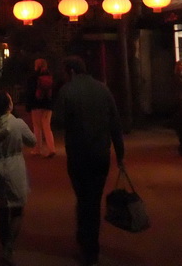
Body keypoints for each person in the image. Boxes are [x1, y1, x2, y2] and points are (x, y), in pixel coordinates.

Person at [52, 56, 125, 266]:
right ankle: (90, 244)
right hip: (101, 153)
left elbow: (57, 121)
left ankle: (86, 243)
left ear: (71, 71)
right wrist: (120, 154)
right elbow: (115, 124)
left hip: (78, 153)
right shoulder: (103, 89)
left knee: (84, 198)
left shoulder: (67, 91)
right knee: (93, 198)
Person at [0, 88, 36, 266]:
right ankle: (9, 247)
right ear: (8, 105)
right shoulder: (18, 124)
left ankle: (5, 246)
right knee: (18, 210)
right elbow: (32, 141)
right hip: (15, 168)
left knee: (2, 211)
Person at [24, 58, 56, 157]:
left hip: (36, 104)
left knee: (37, 127)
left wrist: (28, 106)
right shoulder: (50, 76)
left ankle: (37, 148)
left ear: (37, 66)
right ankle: (51, 148)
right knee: (47, 126)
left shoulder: (33, 77)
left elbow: (30, 92)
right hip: (48, 105)